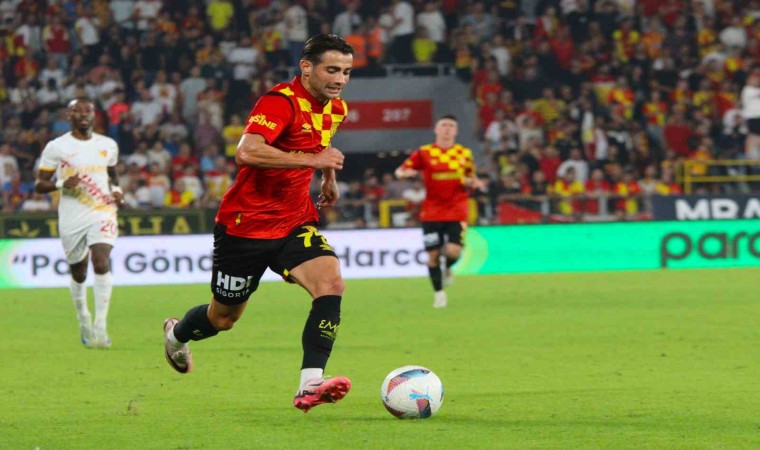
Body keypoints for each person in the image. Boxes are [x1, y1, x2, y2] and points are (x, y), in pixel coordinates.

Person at [162, 34, 354, 413]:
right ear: (306, 68)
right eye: (332, 70)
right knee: (223, 319)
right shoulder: (280, 102)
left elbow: (321, 148)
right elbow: (247, 151)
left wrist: (328, 177)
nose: (340, 79)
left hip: (294, 220)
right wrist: (313, 163)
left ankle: (310, 383)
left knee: (331, 283)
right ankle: (177, 334)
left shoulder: (336, 108)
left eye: (346, 72)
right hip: (244, 226)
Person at [34, 97, 123, 348]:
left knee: (101, 261)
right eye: (77, 111)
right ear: (68, 116)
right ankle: (83, 317)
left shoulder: (108, 145)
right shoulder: (57, 147)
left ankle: (101, 326)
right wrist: (62, 183)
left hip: (103, 210)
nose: (83, 114)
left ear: (94, 115)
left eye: (88, 110)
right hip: (72, 215)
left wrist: (118, 191)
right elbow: (39, 184)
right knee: (79, 271)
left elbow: (113, 175)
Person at [395, 115, 485, 308]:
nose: (447, 128)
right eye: (444, 125)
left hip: (456, 209)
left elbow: (471, 177)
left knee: (453, 251)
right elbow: (401, 170)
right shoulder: (425, 152)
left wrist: (475, 182)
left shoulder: (464, 153)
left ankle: (448, 268)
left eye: (451, 125)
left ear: (456, 131)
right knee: (433, 255)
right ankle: (439, 294)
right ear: (436, 130)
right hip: (432, 211)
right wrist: (405, 173)